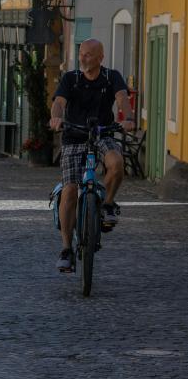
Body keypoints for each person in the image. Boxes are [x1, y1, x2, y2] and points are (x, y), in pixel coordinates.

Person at [49, 39, 135, 272]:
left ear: (100, 57)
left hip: (102, 134)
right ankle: (66, 249)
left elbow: (122, 98)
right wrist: (56, 117)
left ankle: (107, 205)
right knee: (69, 190)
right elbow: (59, 102)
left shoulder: (111, 77)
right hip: (74, 136)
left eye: (88, 54)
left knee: (116, 163)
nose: (83, 58)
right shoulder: (71, 79)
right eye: (81, 54)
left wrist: (128, 118)